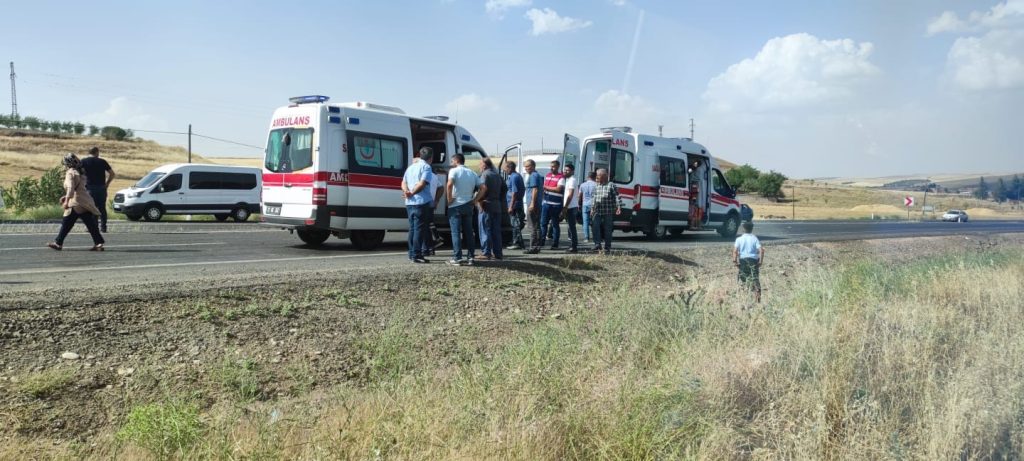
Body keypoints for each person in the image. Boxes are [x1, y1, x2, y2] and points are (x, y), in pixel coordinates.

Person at [47, 153, 106, 251]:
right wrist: (65, 196)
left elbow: (70, 188)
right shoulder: (80, 172)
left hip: (75, 202)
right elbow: (78, 188)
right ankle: (98, 243)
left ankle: (58, 243)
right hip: (84, 200)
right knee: (90, 224)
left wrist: (66, 201)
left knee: (67, 223)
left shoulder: (70, 172)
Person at [446, 153, 484, 265]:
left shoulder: (454, 171)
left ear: (456, 161)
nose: (451, 163)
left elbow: (449, 185)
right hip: (468, 204)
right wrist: (475, 200)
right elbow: (483, 188)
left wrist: (449, 199)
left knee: (456, 232)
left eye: (452, 161)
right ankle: (471, 257)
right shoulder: (472, 173)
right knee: (469, 232)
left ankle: (457, 258)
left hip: (455, 205)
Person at [401, 147, 435, 263]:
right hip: (421, 202)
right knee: (419, 230)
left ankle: (411, 253)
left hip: (409, 203)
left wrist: (406, 192)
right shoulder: (426, 167)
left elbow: (403, 182)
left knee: (412, 229)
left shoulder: (411, 167)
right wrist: (412, 193)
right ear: (431, 157)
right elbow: (422, 183)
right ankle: (417, 255)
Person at [79, 146, 116, 233]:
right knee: (102, 208)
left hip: (89, 188)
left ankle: (93, 227)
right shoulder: (102, 161)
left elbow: (80, 173)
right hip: (101, 188)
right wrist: (107, 184)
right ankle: (103, 227)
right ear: (97, 152)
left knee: (91, 208)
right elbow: (112, 174)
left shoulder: (83, 161)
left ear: (89, 152)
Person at [476, 157, 504, 261]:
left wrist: (478, 200)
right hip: (497, 205)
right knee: (496, 230)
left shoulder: (485, 175)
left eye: (480, 164)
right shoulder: (497, 175)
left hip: (486, 205)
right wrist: (499, 199)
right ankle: (498, 253)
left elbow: (483, 189)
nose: (479, 166)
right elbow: (504, 189)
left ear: (485, 165)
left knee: (485, 229)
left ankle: (486, 252)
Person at [590, 168, 622, 254]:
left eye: (598, 175)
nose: (596, 177)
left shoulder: (611, 185)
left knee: (607, 229)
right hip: (597, 210)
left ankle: (607, 247)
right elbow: (594, 198)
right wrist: (592, 208)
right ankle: (597, 245)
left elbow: (617, 197)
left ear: (604, 176)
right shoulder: (597, 186)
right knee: (595, 227)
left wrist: (618, 207)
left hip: (608, 211)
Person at [732, 221, 764, 303]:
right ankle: (758, 300)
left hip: (743, 261)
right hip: (753, 260)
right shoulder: (754, 238)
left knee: (743, 279)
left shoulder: (739, 239)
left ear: (743, 229)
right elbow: (761, 250)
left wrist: (735, 262)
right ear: (752, 229)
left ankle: (744, 299)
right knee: (755, 279)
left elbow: (735, 251)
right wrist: (760, 261)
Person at [539, 160, 565, 250]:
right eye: (551, 166)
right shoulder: (548, 176)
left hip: (555, 205)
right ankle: (541, 241)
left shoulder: (561, 177)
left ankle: (555, 243)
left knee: (555, 224)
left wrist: (547, 188)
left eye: (553, 166)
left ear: (558, 167)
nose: (551, 168)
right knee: (543, 223)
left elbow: (559, 189)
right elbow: (544, 188)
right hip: (546, 203)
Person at [421, 165, 446, 256]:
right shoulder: (434, 176)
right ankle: (433, 243)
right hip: (431, 203)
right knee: (429, 224)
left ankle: (427, 248)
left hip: (424, 202)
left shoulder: (426, 175)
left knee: (424, 226)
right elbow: (441, 188)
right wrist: (436, 200)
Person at [523, 159, 544, 254]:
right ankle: (537, 246)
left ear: (533, 166)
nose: (526, 168)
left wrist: (532, 203)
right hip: (537, 203)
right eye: (525, 167)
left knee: (532, 226)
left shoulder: (533, 176)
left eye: (528, 166)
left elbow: (535, 190)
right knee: (536, 225)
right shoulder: (537, 175)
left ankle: (533, 247)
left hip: (533, 204)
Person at [504, 161, 526, 250]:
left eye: (505, 168)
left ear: (509, 168)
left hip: (514, 204)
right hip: (516, 203)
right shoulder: (516, 176)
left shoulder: (514, 177)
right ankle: (516, 241)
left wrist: (511, 206)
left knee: (515, 224)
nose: (504, 170)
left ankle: (517, 243)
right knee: (516, 224)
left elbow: (514, 192)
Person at [560, 164, 580, 253]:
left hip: (571, 207)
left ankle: (574, 246)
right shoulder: (567, 180)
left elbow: (570, 195)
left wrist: (565, 207)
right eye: (565, 170)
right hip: (570, 206)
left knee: (571, 227)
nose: (565, 171)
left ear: (572, 171)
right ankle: (572, 245)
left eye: (567, 170)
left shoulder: (572, 180)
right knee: (570, 227)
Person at [579, 171, 597, 244]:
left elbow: (579, 196)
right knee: (594, 222)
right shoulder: (596, 185)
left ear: (588, 177)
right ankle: (595, 237)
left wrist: (579, 204)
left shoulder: (582, 185)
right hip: (593, 205)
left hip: (585, 204)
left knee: (585, 222)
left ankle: (586, 237)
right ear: (595, 177)